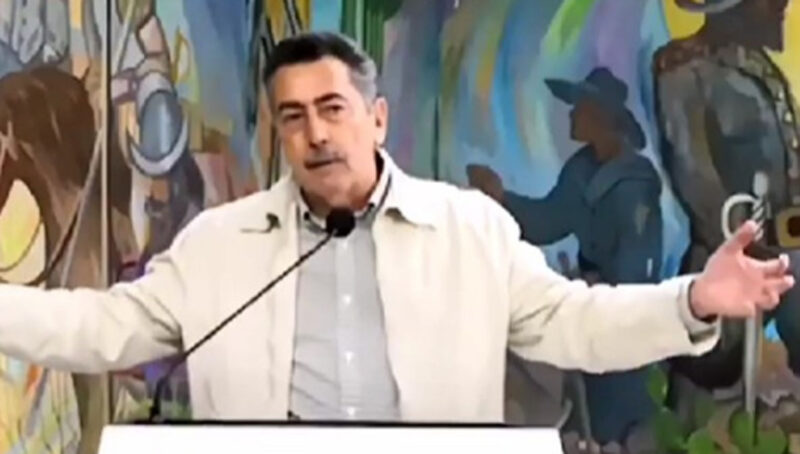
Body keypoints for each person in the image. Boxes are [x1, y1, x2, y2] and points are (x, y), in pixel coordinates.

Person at [0, 31, 793, 422]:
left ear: (376, 118)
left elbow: (575, 323)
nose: (316, 134)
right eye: (293, 117)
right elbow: (100, 327)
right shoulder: (217, 245)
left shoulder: (470, 231)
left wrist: (693, 300)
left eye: (332, 109)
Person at [468, 67, 662, 444]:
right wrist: (500, 197)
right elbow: (548, 221)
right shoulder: (581, 170)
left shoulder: (635, 185)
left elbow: (638, 265)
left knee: (620, 417)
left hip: (623, 316)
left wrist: (604, 291)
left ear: (600, 116)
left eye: (580, 107)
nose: (572, 115)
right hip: (590, 310)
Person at [653, 0, 800, 391]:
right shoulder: (685, 73)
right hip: (728, 268)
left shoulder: (761, 69)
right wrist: (762, 246)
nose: (783, 4)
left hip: (782, 254)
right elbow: (699, 185)